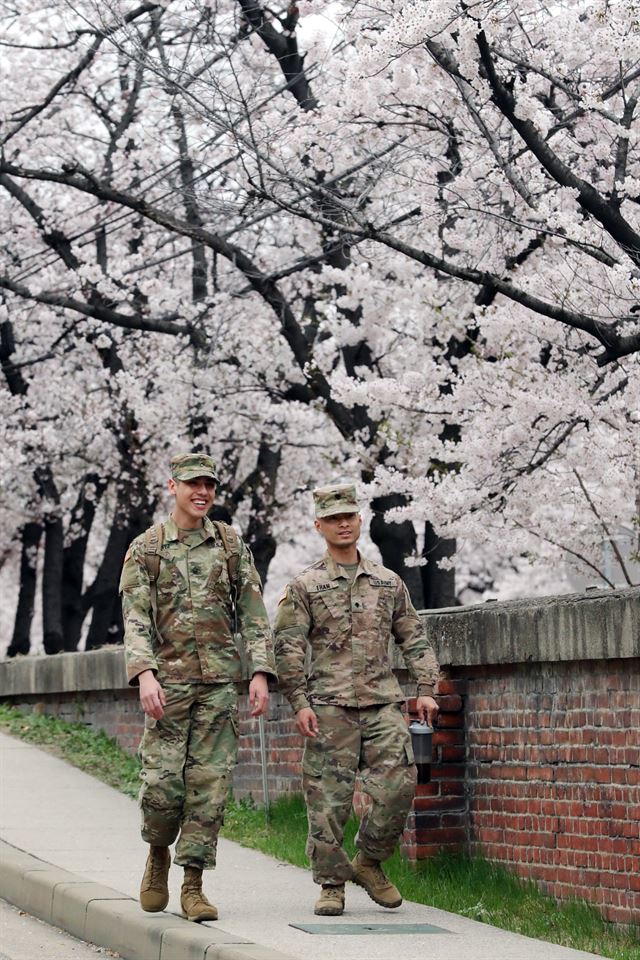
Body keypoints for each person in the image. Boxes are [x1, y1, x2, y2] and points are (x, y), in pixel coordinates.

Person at [119, 453, 276, 922]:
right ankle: (157, 854)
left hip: (218, 688)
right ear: (173, 486)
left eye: (208, 484)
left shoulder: (229, 545)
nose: (201, 492)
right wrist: (144, 673)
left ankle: (193, 884)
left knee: (209, 788)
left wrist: (261, 672)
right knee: (163, 787)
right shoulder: (146, 548)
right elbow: (135, 618)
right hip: (168, 687)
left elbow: (252, 612)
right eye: (192, 484)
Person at [274, 483, 440, 917]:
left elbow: (413, 636)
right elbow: (288, 647)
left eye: (349, 515)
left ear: (360, 520)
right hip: (329, 705)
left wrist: (425, 689)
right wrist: (300, 702)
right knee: (328, 801)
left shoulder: (387, 582)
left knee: (398, 788)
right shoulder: (305, 586)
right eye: (333, 518)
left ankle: (367, 862)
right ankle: (331, 883)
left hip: (383, 702)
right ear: (319, 525)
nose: (343, 523)